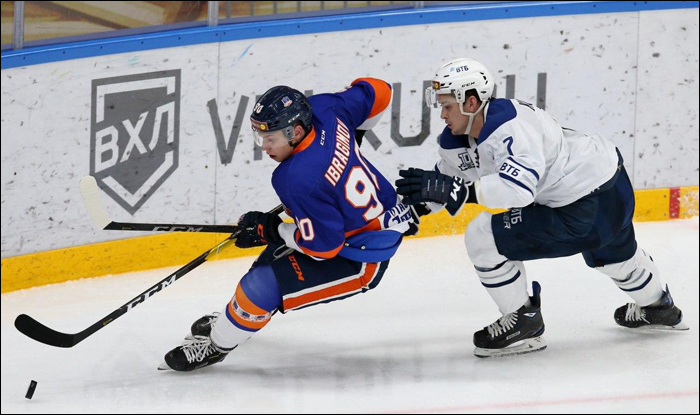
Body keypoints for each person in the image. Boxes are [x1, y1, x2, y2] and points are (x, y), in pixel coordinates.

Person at [395, 58, 688, 358]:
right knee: (615, 260)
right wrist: (412, 211)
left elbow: (518, 191)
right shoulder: (459, 138)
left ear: (471, 102)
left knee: (482, 237)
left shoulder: (510, 127)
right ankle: (659, 307)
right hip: (609, 183)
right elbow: (446, 182)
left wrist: (461, 192)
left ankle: (524, 322)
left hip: (584, 207)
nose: (441, 114)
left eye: (447, 106)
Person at [161, 79, 417, 371]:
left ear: (296, 131)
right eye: (261, 137)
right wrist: (353, 136)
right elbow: (380, 90)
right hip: (360, 221)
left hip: (359, 256)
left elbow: (324, 248)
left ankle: (216, 346)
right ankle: (233, 323)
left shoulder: (295, 178)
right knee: (266, 265)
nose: (264, 147)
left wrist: (272, 230)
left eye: (271, 139)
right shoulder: (325, 109)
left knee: (260, 287)